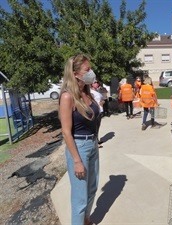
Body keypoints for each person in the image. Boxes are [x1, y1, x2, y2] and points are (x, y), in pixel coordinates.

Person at [59, 54, 100, 225]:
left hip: (92, 144)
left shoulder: (87, 94)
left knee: (92, 189)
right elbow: (66, 132)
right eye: (87, 70)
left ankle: (85, 220)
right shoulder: (68, 97)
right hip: (79, 147)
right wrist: (77, 160)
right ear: (76, 74)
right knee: (80, 198)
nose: (91, 73)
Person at [90, 80, 105, 147]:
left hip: (100, 110)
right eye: (95, 82)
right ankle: (95, 142)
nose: (96, 84)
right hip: (95, 111)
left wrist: (102, 102)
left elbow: (102, 99)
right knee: (94, 127)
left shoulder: (97, 92)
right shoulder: (90, 92)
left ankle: (97, 139)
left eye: (97, 82)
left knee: (97, 126)